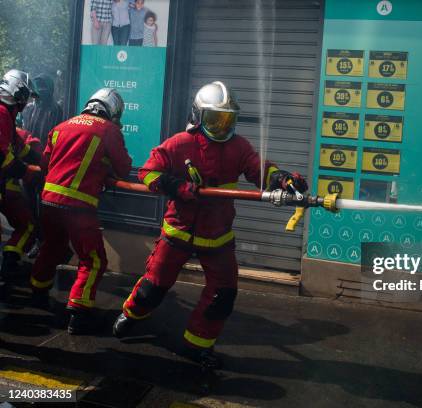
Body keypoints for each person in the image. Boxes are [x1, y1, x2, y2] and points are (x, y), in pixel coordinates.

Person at [112, 81, 308, 381]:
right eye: (215, 119)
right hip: (178, 232)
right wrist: (174, 185)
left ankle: (197, 344)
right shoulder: (180, 144)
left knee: (224, 295)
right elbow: (148, 171)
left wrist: (282, 180)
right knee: (155, 285)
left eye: (228, 119)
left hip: (217, 235)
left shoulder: (239, 147)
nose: (222, 126)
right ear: (198, 116)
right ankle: (131, 314)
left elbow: (259, 168)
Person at [29, 88, 132, 335]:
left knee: (52, 247)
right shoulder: (109, 130)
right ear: (113, 111)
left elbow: (45, 164)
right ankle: (79, 312)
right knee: (94, 260)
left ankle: (38, 291)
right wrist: (104, 166)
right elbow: (124, 168)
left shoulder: (61, 126)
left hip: (48, 202)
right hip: (78, 207)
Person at [0, 69, 38, 292]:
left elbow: (19, 148)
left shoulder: (7, 114)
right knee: (26, 224)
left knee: (24, 224)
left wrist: (41, 161)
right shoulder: (3, 113)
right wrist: (26, 171)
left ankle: (9, 267)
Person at [21, 74, 63, 148]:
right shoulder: (29, 108)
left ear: (50, 89)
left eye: (43, 87)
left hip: (44, 152)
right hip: (27, 150)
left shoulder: (55, 109)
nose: (40, 90)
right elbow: (25, 130)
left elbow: (54, 135)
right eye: (38, 87)